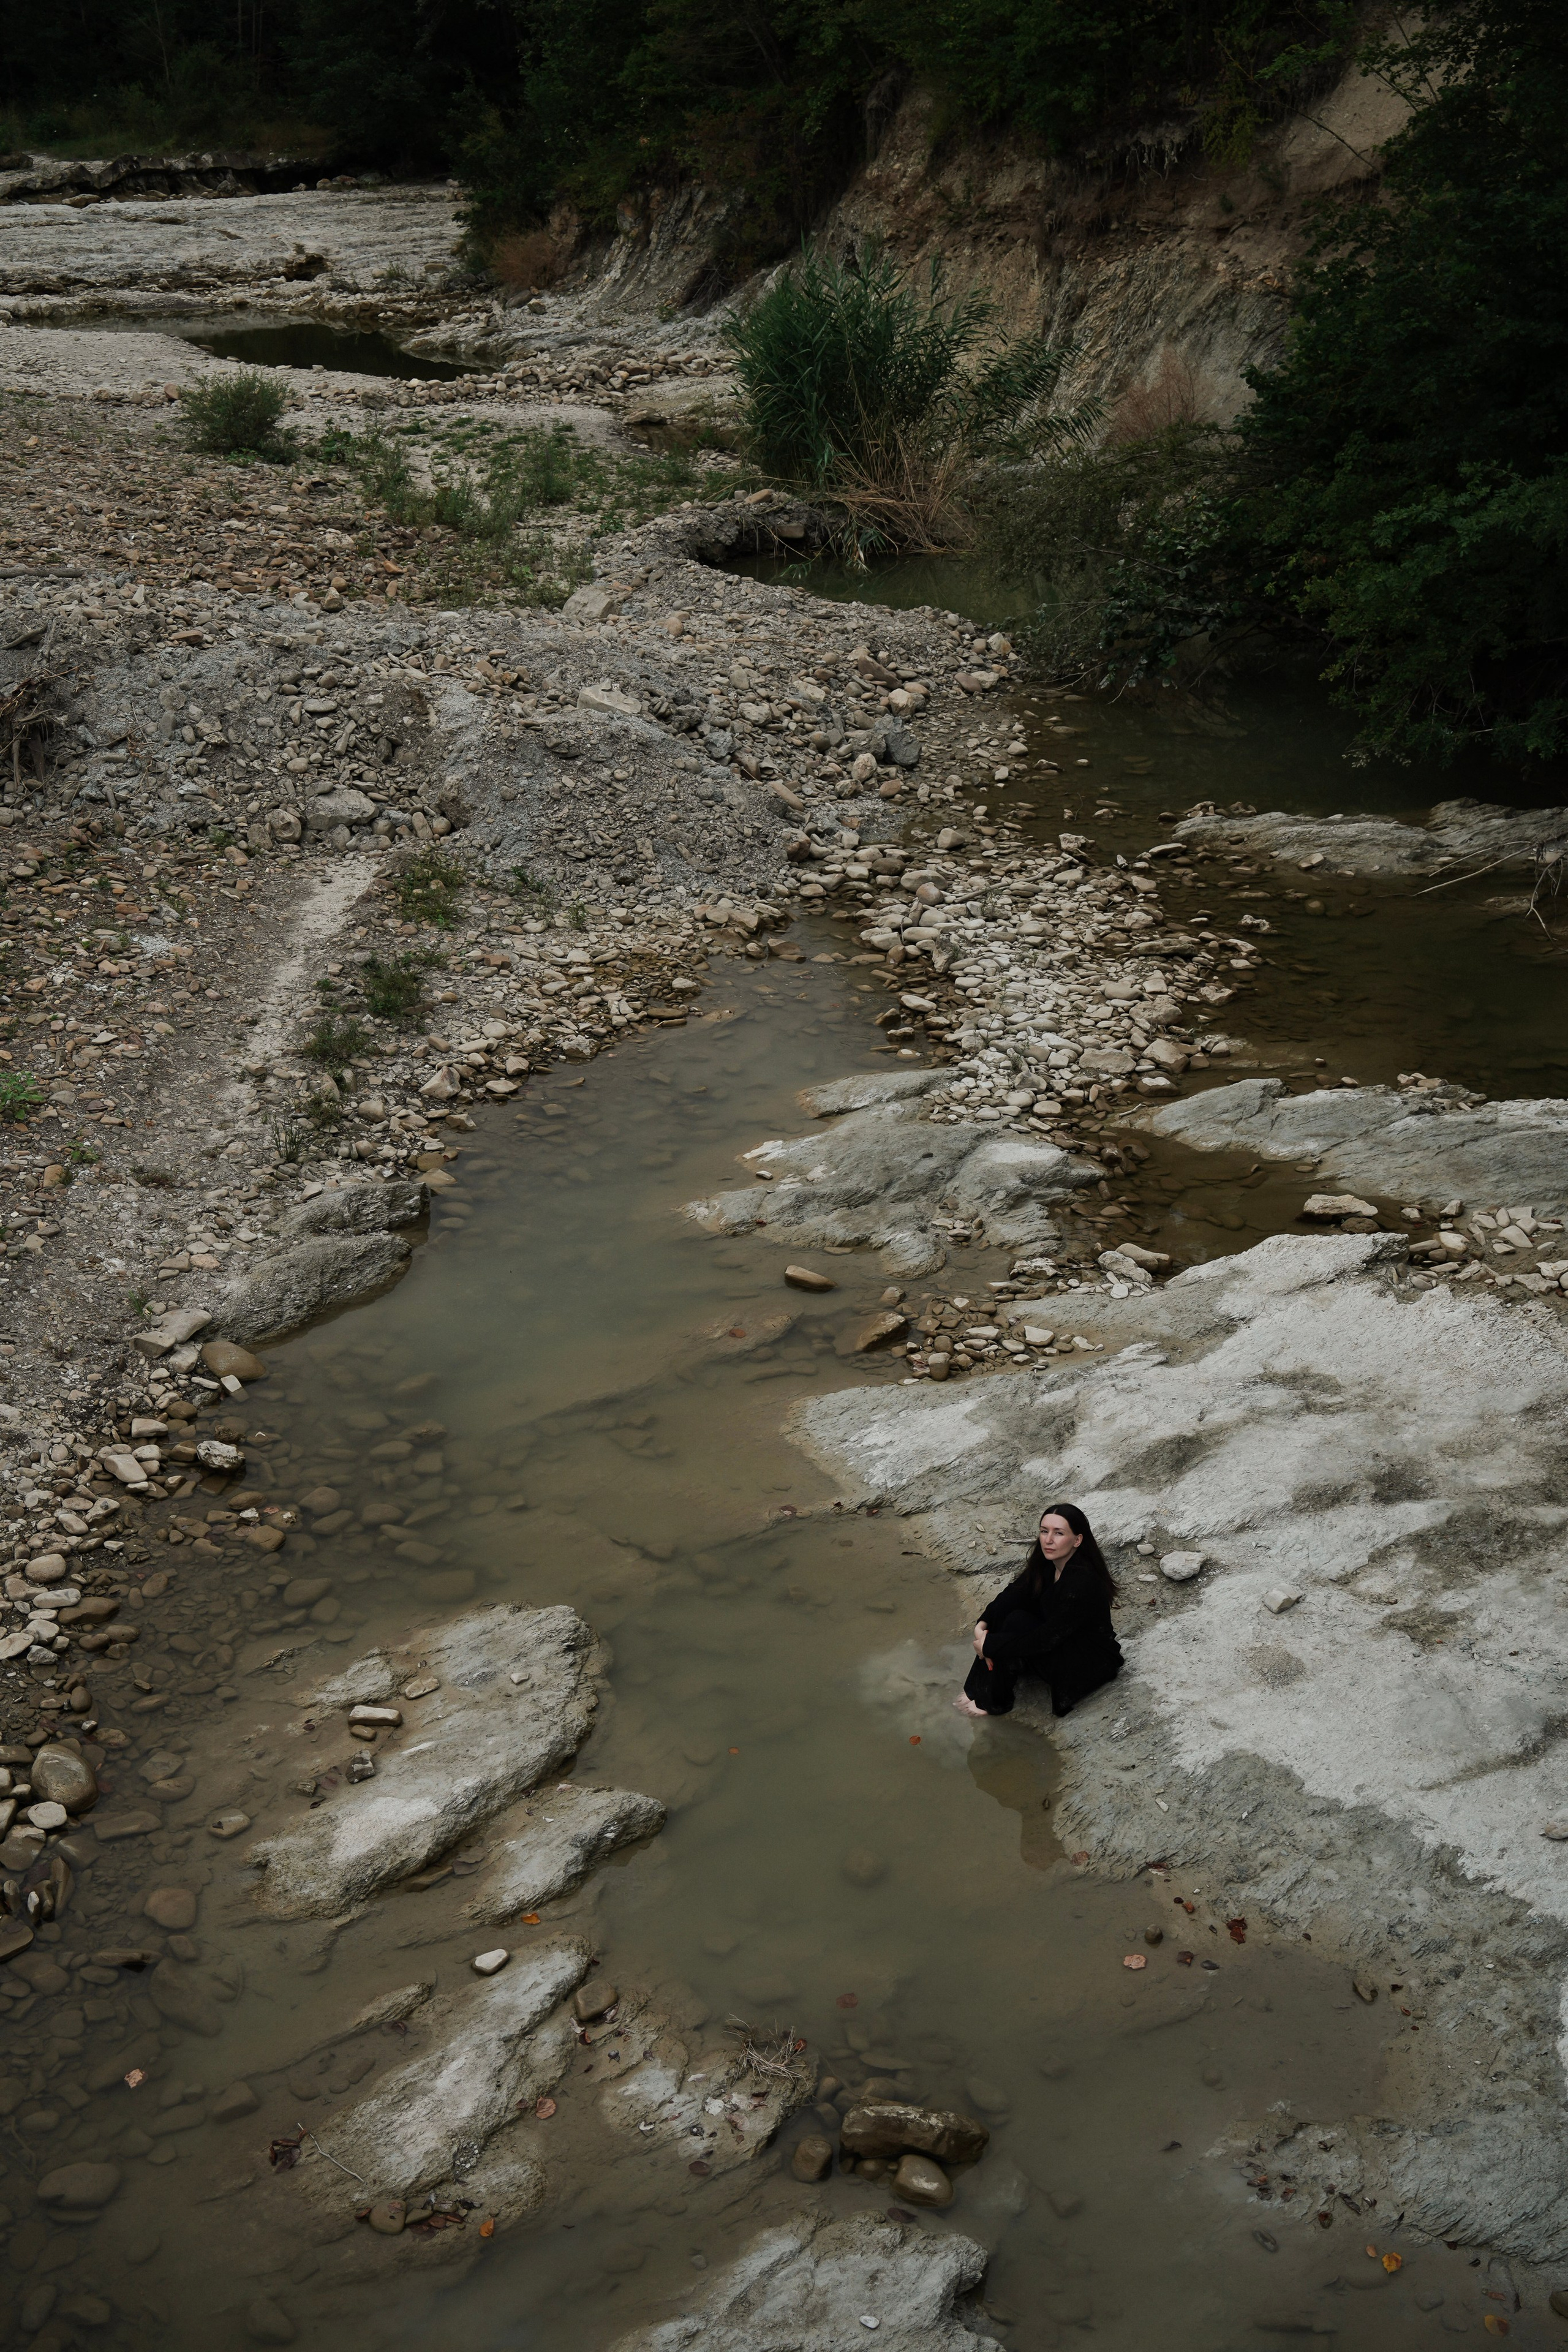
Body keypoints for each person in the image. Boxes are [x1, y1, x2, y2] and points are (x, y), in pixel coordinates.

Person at [954, 1502, 1122, 1721]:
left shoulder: (1082, 1583)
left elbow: (1046, 1639)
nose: (1048, 1540)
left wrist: (990, 1646)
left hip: (1088, 1660)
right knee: (1010, 1614)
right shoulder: (1049, 1561)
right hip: (1059, 1639)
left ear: (1078, 1540)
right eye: (1044, 1531)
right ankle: (977, 1690)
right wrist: (982, 1625)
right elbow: (1014, 1594)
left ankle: (993, 1702)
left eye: (1059, 1533)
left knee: (1013, 1626)